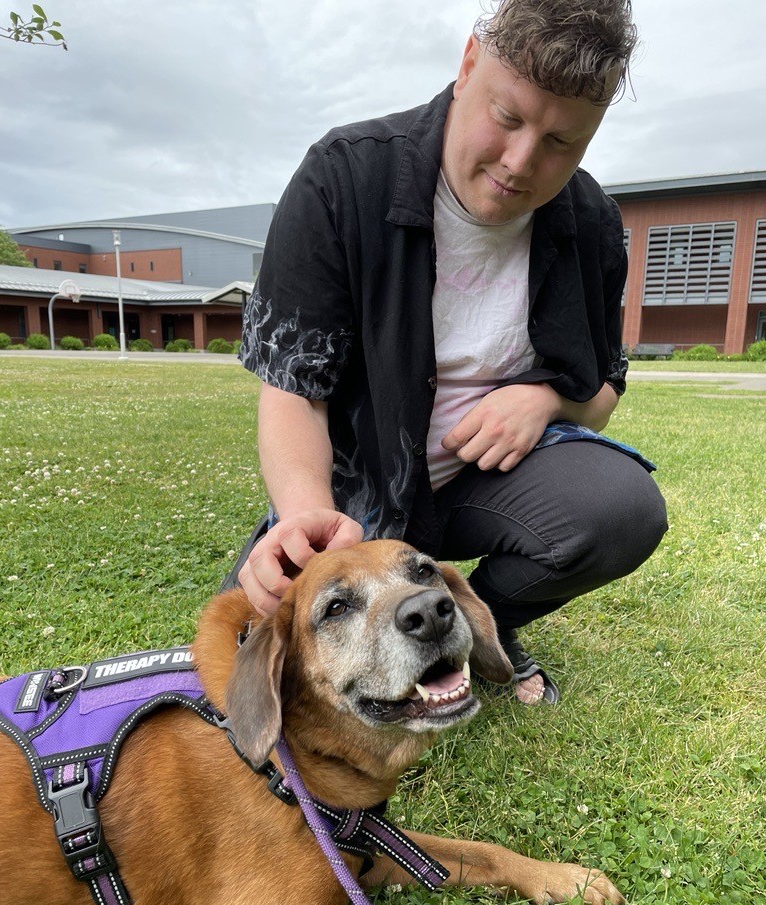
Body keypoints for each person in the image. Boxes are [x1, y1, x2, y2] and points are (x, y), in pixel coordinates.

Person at [234, 0, 668, 704]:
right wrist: (309, 521)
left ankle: (481, 625)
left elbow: (605, 387)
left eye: (561, 142)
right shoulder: (342, 179)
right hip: (360, 494)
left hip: (488, 485)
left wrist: (545, 399)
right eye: (509, 117)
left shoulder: (592, 224)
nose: (521, 163)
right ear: (469, 65)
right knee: (252, 663)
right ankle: (399, 629)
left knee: (621, 509)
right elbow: (294, 387)